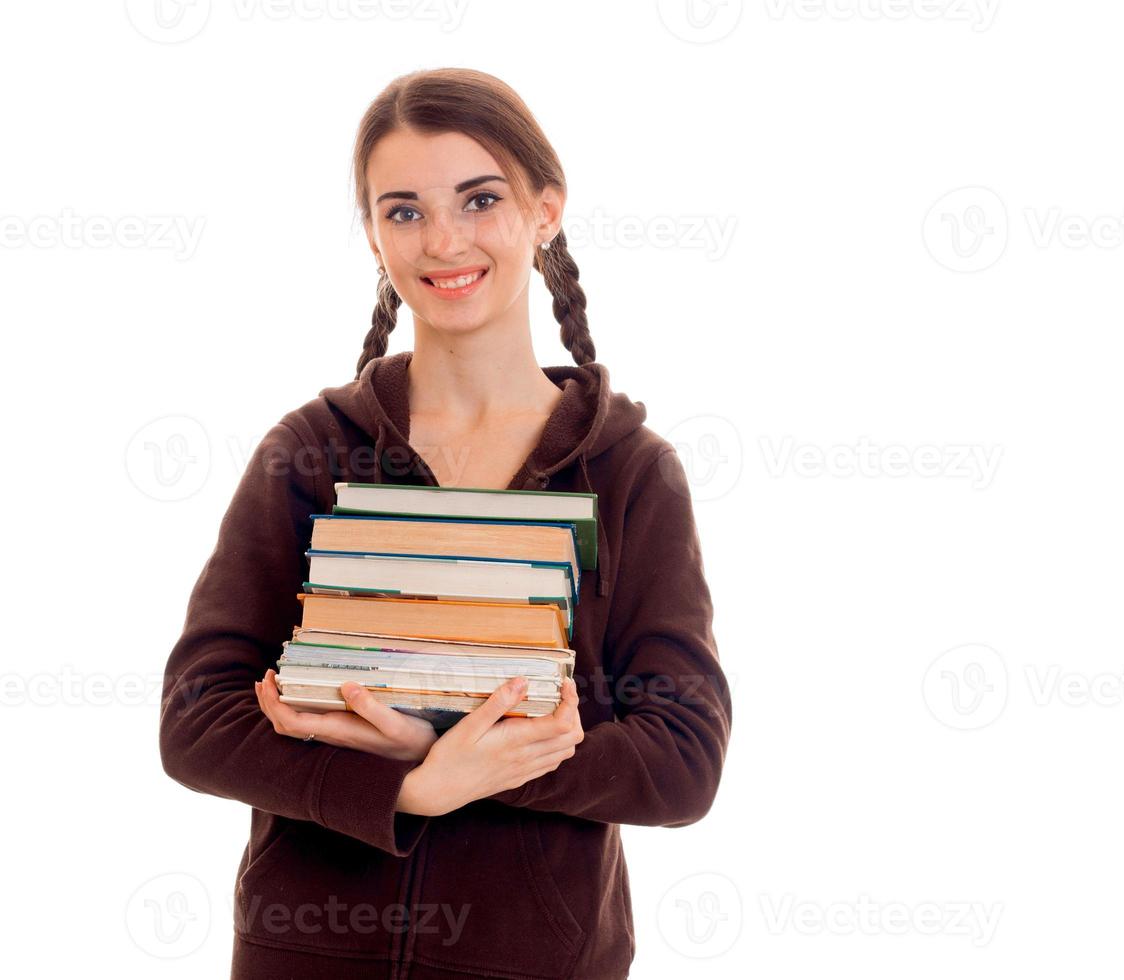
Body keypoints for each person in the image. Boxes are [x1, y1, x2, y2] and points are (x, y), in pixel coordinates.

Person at [158, 67, 732, 980]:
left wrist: (444, 754)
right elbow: (197, 718)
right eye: (404, 211)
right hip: (305, 958)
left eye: (479, 199)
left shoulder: (631, 470)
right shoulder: (309, 453)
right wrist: (409, 787)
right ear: (375, 235)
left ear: (545, 211)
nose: (443, 241)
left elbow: (683, 757)